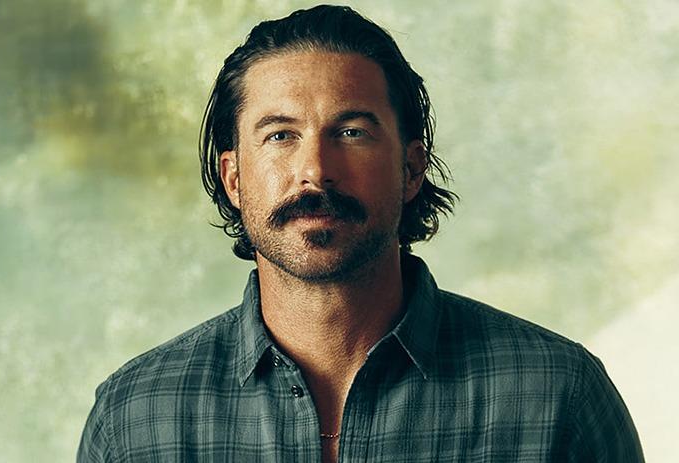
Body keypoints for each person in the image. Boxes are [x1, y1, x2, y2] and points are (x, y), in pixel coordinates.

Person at [78, 5, 644, 462]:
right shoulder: (136, 419)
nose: (315, 170)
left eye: (351, 132)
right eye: (279, 135)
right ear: (233, 176)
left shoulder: (557, 397)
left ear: (411, 169)